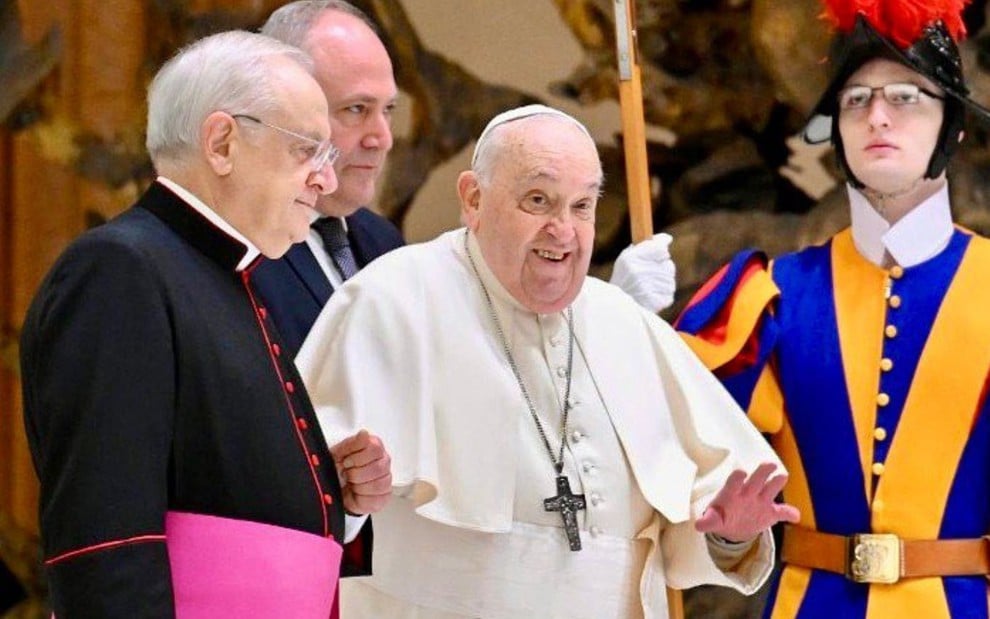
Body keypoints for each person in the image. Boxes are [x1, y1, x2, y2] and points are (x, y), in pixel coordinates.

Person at [296, 104, 800, 619]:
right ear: (473, 199)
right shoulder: (390, 302)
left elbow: (684, 535)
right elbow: (307, 506)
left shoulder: (624, 324)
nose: (563, 230)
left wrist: (731, 539)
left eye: (582, 206)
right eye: (539, 201)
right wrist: (350, 487)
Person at [611, 1, 990, 617]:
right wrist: (622, 335)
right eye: (855, 100)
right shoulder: (769, 297)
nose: (878, 116)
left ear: (954, 127)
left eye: (907, 96)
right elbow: (660, 468)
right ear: (835, 130)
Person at [19, 30, 391, 618]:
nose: (325, 181)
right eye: (307, 152)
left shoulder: (228, 275)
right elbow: (108, 543)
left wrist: (318, 482)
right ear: (222, 142)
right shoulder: (120, 271)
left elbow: (213, 480)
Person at [251, 0, 404, 357]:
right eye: (356, 109)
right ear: (282, 107)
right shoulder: (242, 245)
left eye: (388, 110)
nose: (382, 139)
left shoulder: (384, 242)